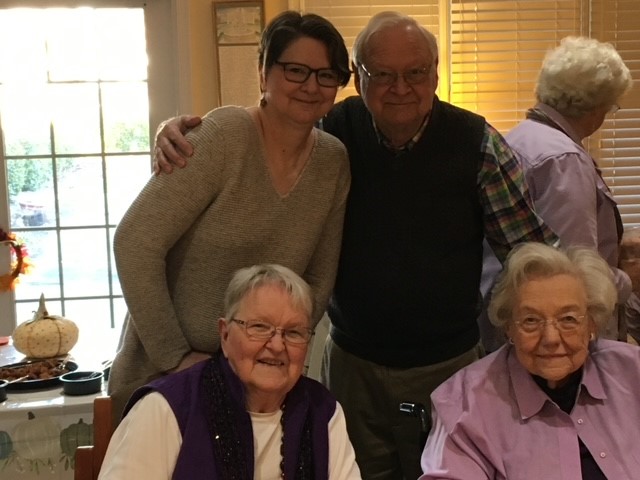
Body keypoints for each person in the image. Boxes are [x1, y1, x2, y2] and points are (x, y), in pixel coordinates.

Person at [153, 11, 558, 479]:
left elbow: (533, 258)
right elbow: (263, 134)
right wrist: (182, 134)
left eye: (415, 73)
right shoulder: (328, 133)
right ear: (358, 77)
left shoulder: (478, 144)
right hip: (352, 366)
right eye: (381, 74)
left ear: (435, 74)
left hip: (449, 368)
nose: (399, 88)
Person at [107, 11, 352, 424]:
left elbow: (317, 281)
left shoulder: (333, 161)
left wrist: (278, 359)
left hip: (261, 391)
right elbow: (135, 242)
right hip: (167, 385)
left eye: (327, 75)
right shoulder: (225, 136)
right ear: (263, 73)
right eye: (295, 70)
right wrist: (176, 357)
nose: (312, 86)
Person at [99, 264, 361, 479]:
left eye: (293, 332)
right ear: (225, 335)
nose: (277, 346)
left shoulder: (323, 410)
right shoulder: (165, 409)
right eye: (259, 327)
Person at [421, 242, 640, 480]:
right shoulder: (464, 404)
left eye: (568, 319)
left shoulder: (633, 371)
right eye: (531, 320)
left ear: (591, 324)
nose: (550, 338)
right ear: (509, 328)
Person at [479, 36, 634, 350]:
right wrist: (627, 281)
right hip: (550, 336)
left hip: (509, 320)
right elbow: (572, 267)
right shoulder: (564, 160)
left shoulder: (518, 138)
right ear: (595, 107)